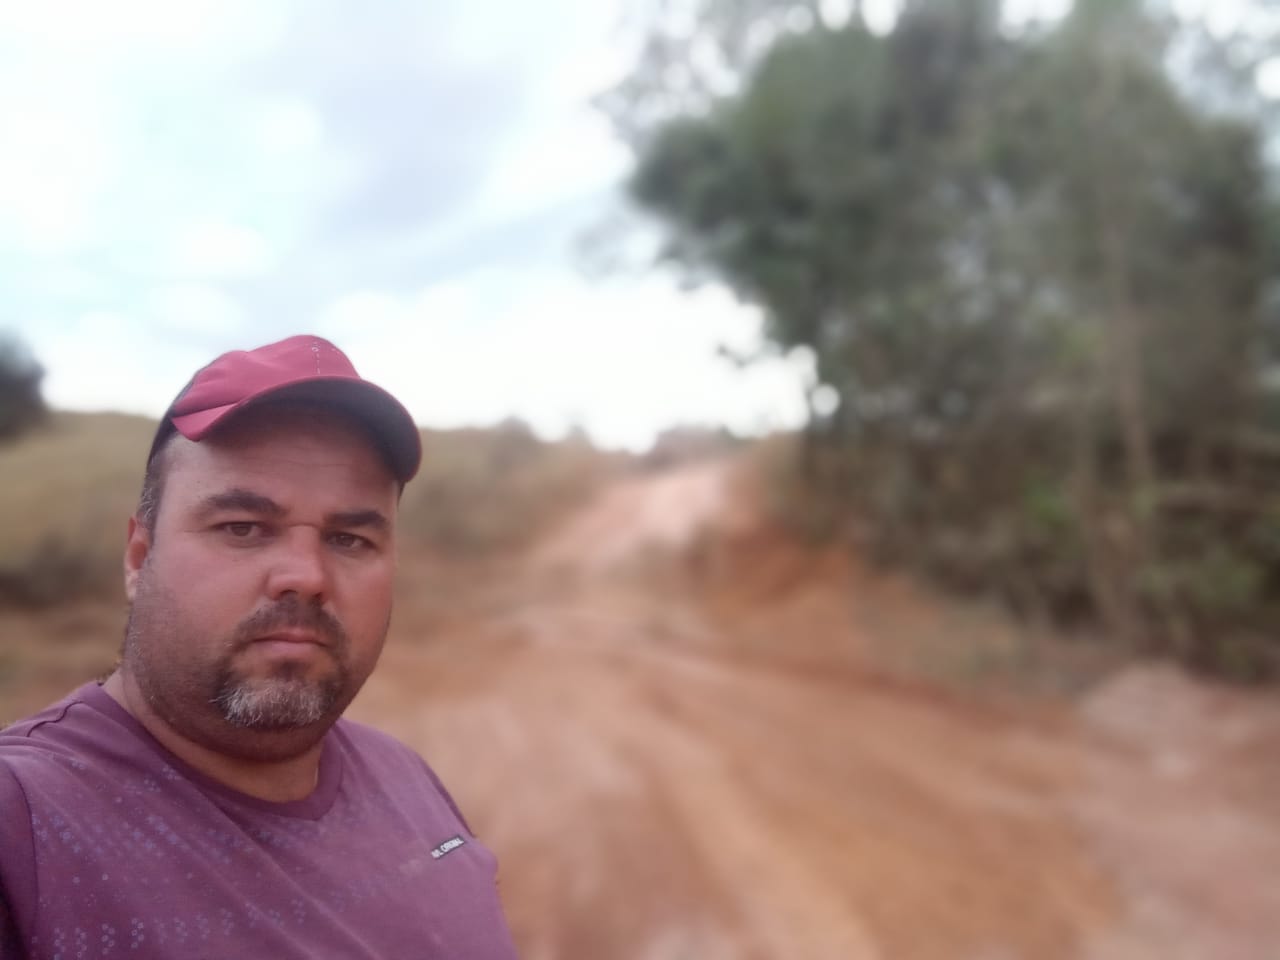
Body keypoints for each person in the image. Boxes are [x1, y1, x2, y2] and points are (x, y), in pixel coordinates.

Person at [0, 335, 520, 959]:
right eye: (242, 528)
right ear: (140, 558)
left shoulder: (405, 777)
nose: (306, 576)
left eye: (350, 539)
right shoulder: (25, 823)